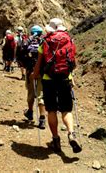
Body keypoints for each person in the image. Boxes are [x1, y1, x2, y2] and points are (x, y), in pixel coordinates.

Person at [31, 18, 82, 154]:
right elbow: (73, 63)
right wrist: (70, 76)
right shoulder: (69, 40)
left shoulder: (46, 41)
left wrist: (34, 75)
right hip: (65, 78)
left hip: (48, 80)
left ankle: (56, 139)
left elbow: (39, 63)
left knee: (52, 110)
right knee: (66, 110)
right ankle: (71, 133)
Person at [23, 25, 46, 129]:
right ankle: (42, 119)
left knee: (31, 93)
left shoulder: (28, 41)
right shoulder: (45, 41)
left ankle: (30, 113)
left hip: (30, 71)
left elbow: (22, 50)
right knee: (41, 95)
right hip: (42, 72)